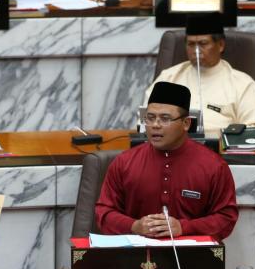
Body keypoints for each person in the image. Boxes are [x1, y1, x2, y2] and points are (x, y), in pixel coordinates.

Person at [96, 81, 238, 240]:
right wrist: (134, 226)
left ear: (186, 123)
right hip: (136, 253)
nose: (155, 125)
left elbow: (226, 218)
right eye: (150, 118)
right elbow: (104, 212)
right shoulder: (124, 162)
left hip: (191, 254)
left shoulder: (213, 166)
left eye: (165, 119)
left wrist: (184, 228)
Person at [145, 12, 255, 137]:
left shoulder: (243, 84)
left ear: (220, 45)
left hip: (221, 147)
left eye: (203, 44)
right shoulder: (168, 78)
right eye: (191, 44)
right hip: (173, 147)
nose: (196, 51)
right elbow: (146, 121)